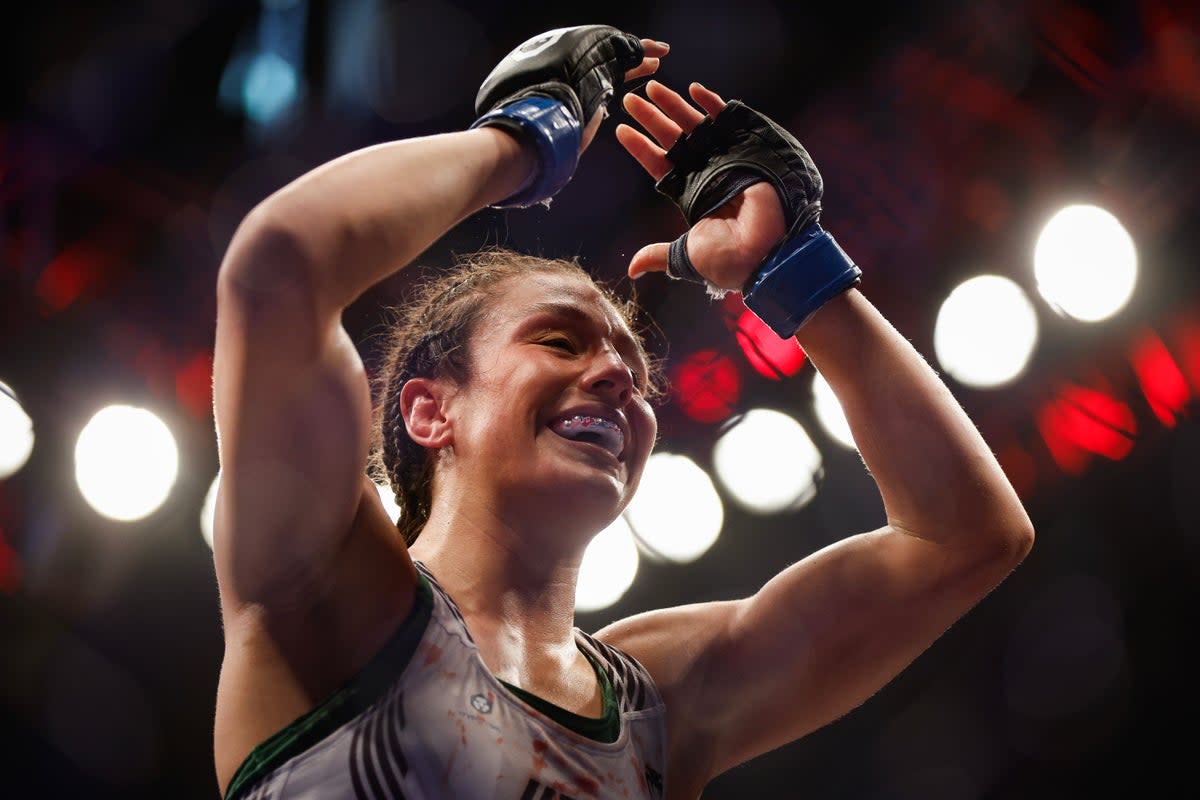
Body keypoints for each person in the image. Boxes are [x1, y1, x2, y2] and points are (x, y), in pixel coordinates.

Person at [210, 25, 1034, 800]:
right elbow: (280, 265)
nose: (614, 375)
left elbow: (962, 537)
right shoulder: (328, 589)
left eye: (633, 371)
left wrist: (794, 273)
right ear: (430, 411)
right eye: (560, 342)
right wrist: (519, 141)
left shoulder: (657, 702)